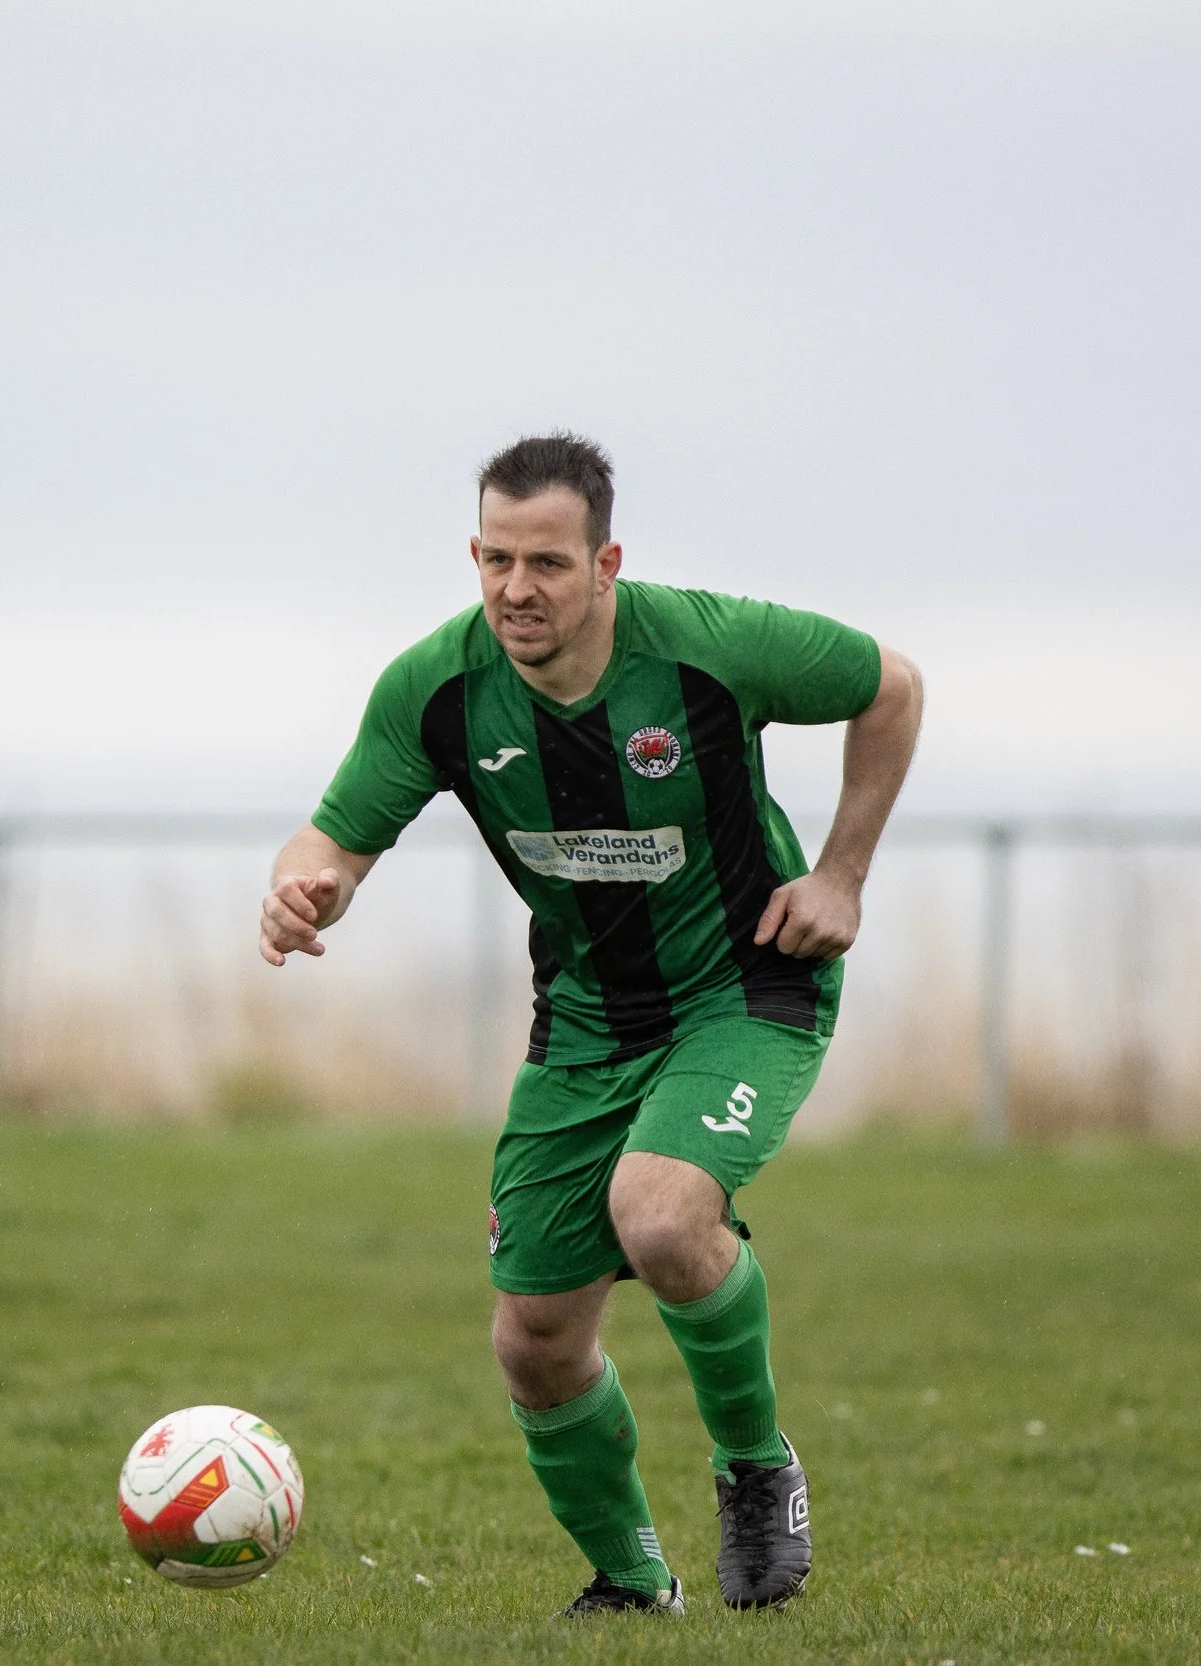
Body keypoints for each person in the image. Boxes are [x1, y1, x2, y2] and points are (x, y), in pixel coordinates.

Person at [257, 432, 922, 1616]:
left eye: (550, 563)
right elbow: (333, 837)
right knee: (533, 1342)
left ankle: (755, 1468)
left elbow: (892, 686)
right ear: (474, 553)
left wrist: (841, 875)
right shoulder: (438, 689)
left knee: (661, 1212)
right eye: (497, 559)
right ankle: (630, 1584)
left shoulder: (709, 646)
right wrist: (305, 888)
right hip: (583, 1023)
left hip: (745, 986)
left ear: (606, 561)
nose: (519, 588)